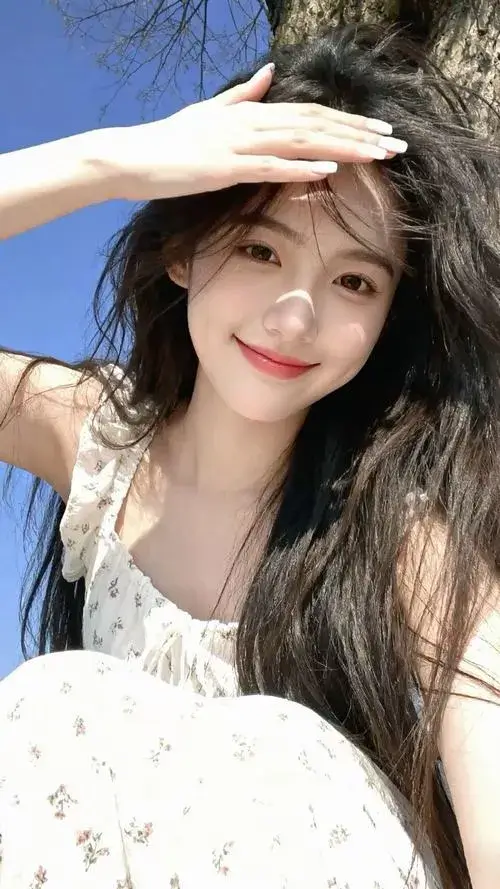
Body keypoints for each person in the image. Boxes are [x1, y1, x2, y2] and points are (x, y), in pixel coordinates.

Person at [0, 19, 498, 889]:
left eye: (355, 280)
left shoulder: (397, 533)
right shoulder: (98, 444)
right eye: (259, 248)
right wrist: (116, 161)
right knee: (53, 703)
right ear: (184, 249)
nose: (295, 317)